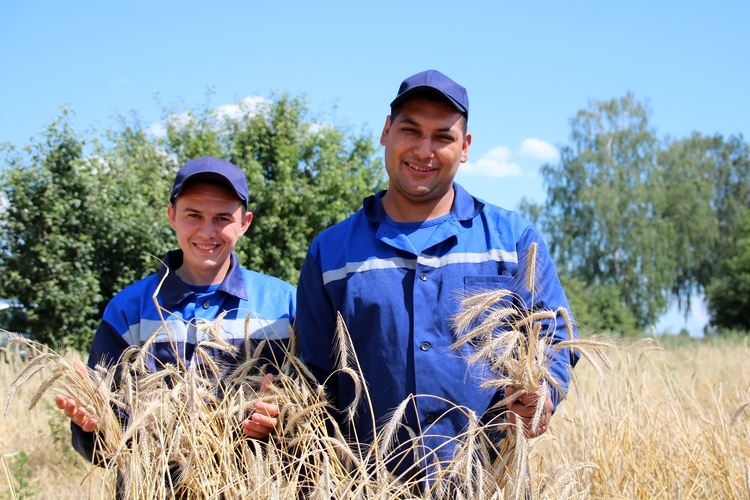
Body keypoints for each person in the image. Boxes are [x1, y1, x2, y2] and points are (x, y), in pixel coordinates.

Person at [295, 70, 579, 480]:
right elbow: (315, 378)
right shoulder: (332, 252)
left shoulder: (513, 240)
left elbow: (554, 335)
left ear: (464, 147)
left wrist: (543, 392)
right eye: (410, 131)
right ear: (386, 133)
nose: (424, 150)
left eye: (443, 137)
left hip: (488, 481)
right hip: (369, 485)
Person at [56, 156, 295, 463]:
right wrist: (93, 424)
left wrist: (279, 421)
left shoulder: (283, 305)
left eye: (222, 218)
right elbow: (104, 449)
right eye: (193, 215)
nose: (207, 232)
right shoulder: (128, 310)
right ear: (172, 216)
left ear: (244, 223)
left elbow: (317, 413)